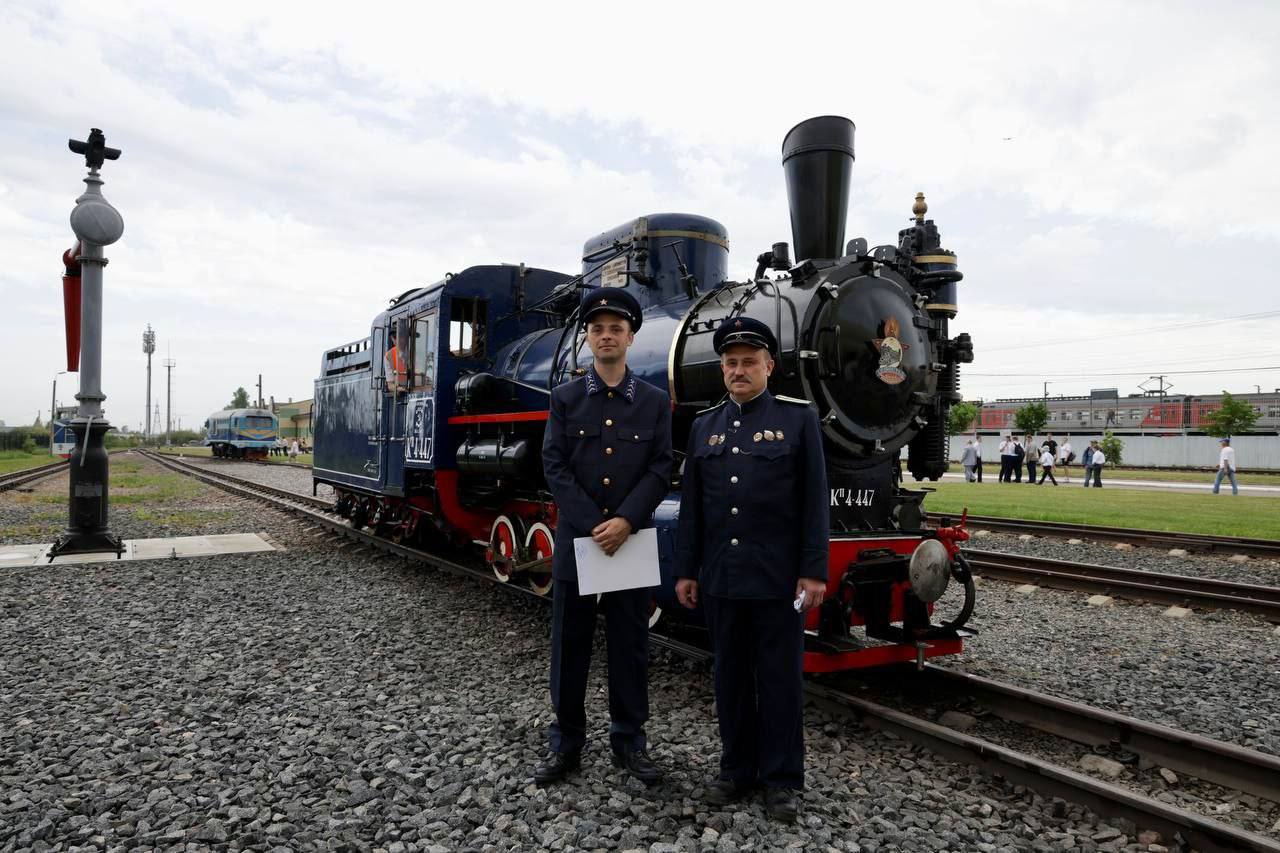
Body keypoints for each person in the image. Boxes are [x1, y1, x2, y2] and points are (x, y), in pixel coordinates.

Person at [674, 316, 828, 822]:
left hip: (779, 578)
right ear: (722, 369)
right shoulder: (704, 426)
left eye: (749, 362)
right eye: (731, 362)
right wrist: (687, 569)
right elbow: (692, 508)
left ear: (769, 366)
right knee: (730, 678)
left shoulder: (798, 419)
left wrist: (813, 571)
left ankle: (781, 779)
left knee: (781, 680)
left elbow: (813, 505)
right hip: (721, 577)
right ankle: (736, 770)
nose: (739, 370)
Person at [534, 286, 673, 787]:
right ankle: (566, 742)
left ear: (631, 337)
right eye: (598, 329)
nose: (607, 335)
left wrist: (627, 520)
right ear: (588, 339)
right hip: (580, 540)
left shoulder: (655, 402)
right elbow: (554, 464)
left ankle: (629, 743)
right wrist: (595, 522)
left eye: (616, 328)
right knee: (569, 643)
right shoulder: (566, 398)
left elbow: (661, 467)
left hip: (630, 540)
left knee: (630, 643)